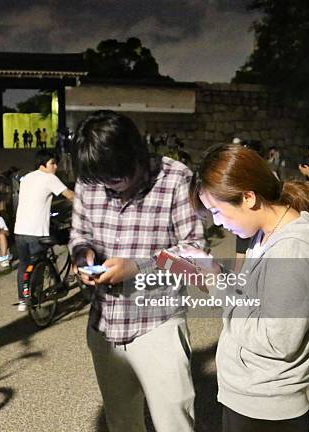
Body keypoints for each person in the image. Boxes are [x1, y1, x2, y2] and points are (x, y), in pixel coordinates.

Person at [186, 143, 309, 432]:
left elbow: (277, 341)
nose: (218, 223)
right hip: (249, 396)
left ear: (248, 197)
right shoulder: (266, 235)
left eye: (217, 211)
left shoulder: (293, 250)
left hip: (266, 410)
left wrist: (218, 287)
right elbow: (255, 299)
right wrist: (215, 274)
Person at [69, 110, 206, 432]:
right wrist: (82, 255)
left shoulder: (176, 178)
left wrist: (137, 267)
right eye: (102, 181)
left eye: (116, 179)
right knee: (121, 422)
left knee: (174, 422)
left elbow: (196, 252)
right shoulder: (91, 180)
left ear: (136, 155)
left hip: (157, 323)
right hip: (104, 323)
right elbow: (79, 234)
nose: (110, 187)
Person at [14, 149, 74, 311]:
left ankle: (23, 299)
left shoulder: (26, 178)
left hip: (20, 230)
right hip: (37, 231)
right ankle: (36, 296)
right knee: (38, 265)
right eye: (52, 163)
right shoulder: (50, 178)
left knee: (25, 265)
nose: (55, 166)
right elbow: (69, 195)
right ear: (43, 164)